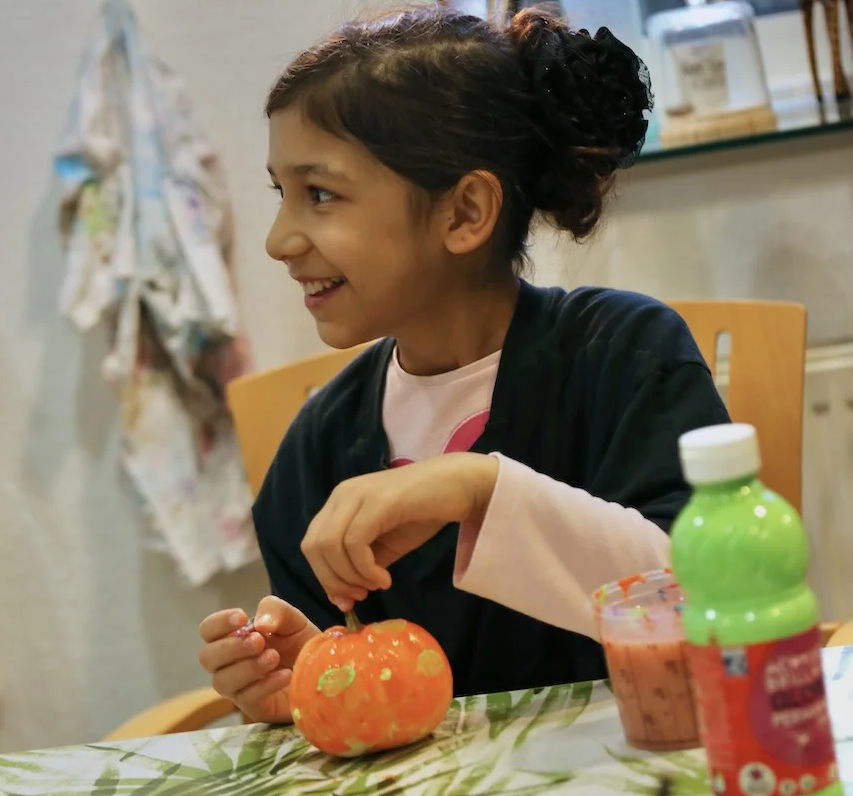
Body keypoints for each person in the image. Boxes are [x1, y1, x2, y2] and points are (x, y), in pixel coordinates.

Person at [198, 4, 730, 725]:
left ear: (463, 213)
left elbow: (709, 602)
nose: (279, 240)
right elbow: (366, 703)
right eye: (281, 194)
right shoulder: (319, 445)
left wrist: (480, 489)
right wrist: (306, 676)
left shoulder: (624, 355)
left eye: (319, 194)